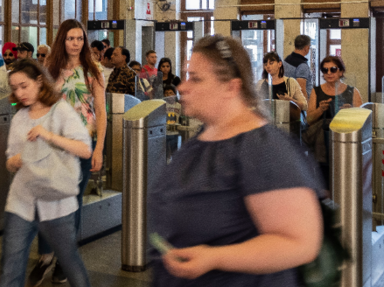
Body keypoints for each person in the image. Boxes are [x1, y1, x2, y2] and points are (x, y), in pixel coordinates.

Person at [149, 35, 322, 286]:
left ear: (231, 87)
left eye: (196, 78)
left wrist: (214, 258)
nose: (183, 87)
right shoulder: (204, 138)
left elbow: (300, 242)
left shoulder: (263, 148)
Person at [0, 59, 92, 287]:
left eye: (24, 85)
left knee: (69, 260)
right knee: (11, 263)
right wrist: (17, 160)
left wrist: (48, 136)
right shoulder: (20, 117)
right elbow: (10, 160)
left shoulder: (60, 110)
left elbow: (84, 148)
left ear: (39, 81)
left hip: (56, 200)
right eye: (15, 88)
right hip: (23, 199)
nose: (20, 93)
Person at [29, 19, 106, 285]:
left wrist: (100, 149)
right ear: (62, 40)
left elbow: (102, 112)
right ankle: (46, 255)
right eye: (70, 38)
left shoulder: (92, 71)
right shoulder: (49, 69)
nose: (75, 43)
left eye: (80, 38)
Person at [306, 56, 362, 185]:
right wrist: (320, 110)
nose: (329, 73)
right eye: (325, 70)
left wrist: (351, 111)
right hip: (322, 146)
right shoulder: (317, 91)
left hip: (346, 145)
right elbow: (309, 120)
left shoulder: (353, 92)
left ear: (341, 72)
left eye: (333, 69)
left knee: (345, 182)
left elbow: (362, 122)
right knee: (324, 182)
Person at [283, 34, 313, 100]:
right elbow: (301, 91)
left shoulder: (287, 60)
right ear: (306, 48)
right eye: (309, 46)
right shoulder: (302, 65)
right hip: (298, 105)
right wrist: (306, 108)